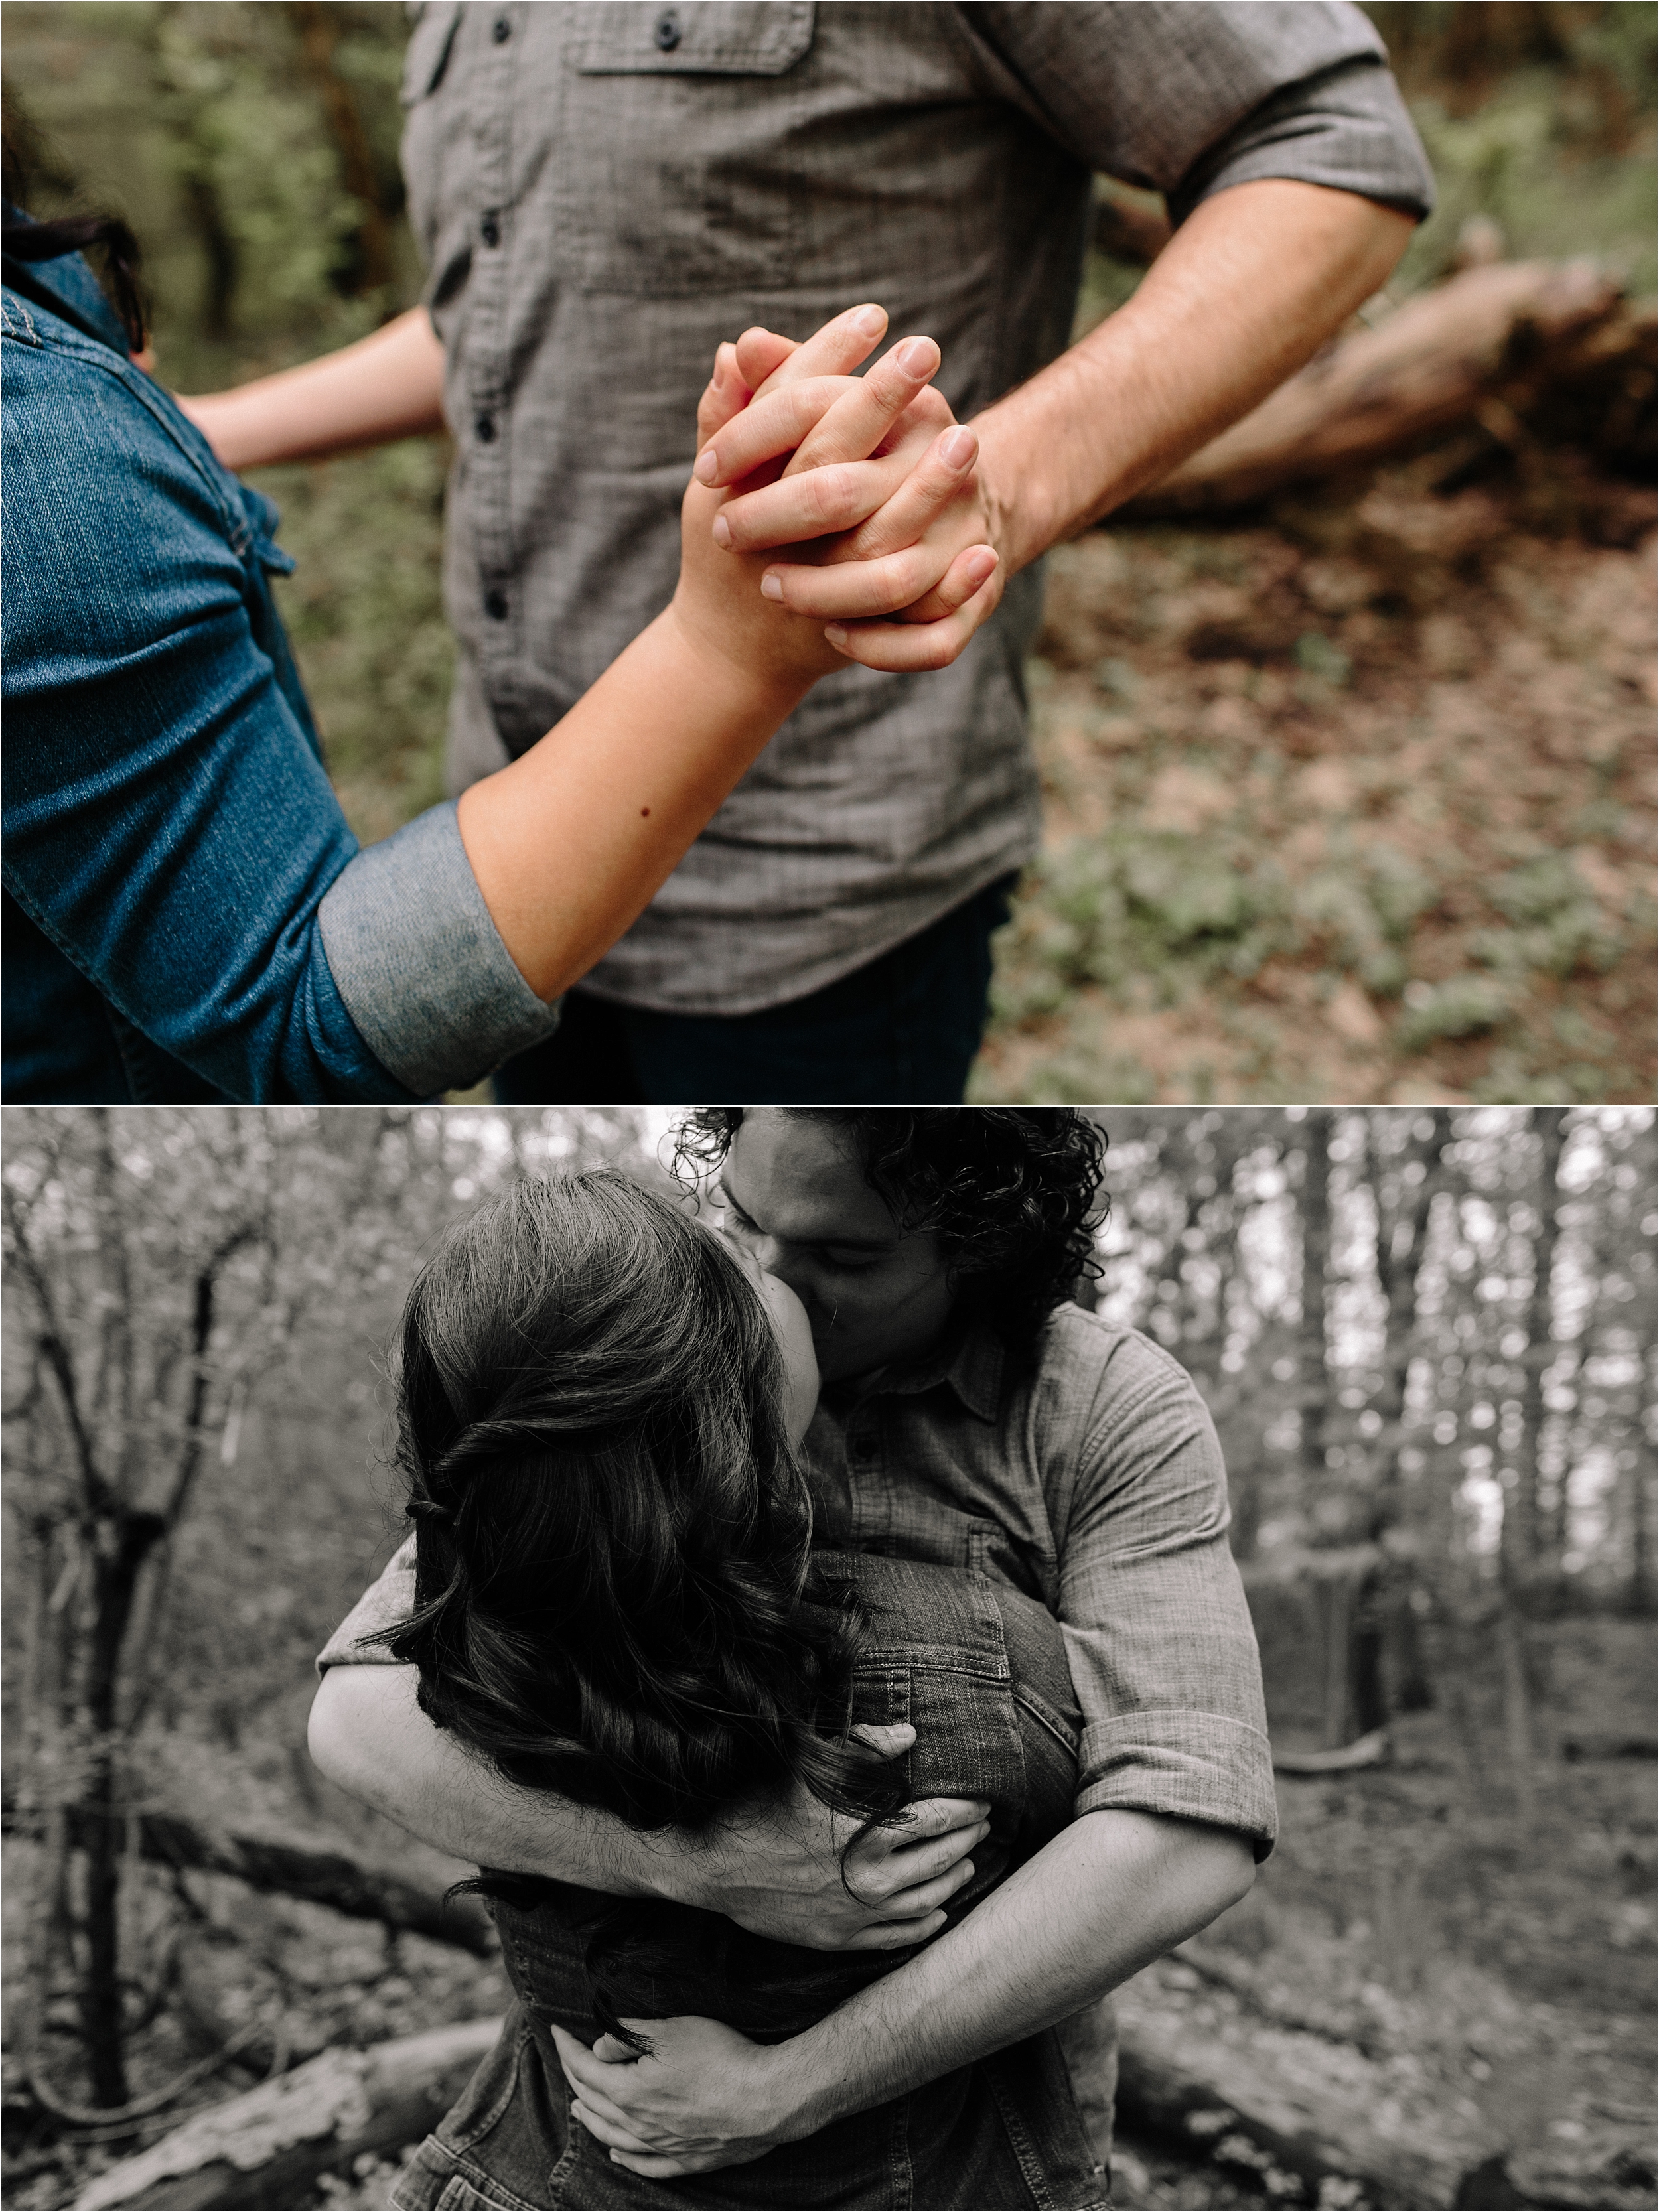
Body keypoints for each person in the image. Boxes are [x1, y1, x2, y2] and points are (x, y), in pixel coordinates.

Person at [184, 3, 1435, 1103]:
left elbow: (1333, 153)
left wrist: (991, 484)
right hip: (513, 856)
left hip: (813, 896)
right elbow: (511, 311)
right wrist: (199, 430)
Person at [311, 1107, 1275, 2183]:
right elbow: (360, 1712)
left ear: (980, 1251)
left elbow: (1191, 1824)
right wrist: (706, 1861)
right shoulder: (653, 1326)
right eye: (738, 1211)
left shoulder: (1103, 1410)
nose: (763, 1275)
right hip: (598, 2137)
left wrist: (789, 2088)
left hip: (968, 2147)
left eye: (842, 1256)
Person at [1, 185, 1001, 1103]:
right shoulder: (36, 448)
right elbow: (296, 1010)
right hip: (524, 886)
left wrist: (159, 430)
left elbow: (497, 320)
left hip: (809, 908)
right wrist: (728, 647)